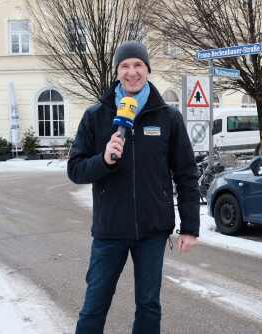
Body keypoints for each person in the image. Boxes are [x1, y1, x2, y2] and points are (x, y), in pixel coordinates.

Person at [67, 41, 200, 334]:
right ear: (117, 73)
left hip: (152, 230)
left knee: (149, 305)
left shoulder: (168, 118)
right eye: (125, 66)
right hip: (110, 229)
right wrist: (103, 159)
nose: (132, 72)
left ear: (148, 70)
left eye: (138, 65)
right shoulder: (95, 116)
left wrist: (190, 226)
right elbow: (75, 169)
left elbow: (186, 174)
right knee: (94, 304)